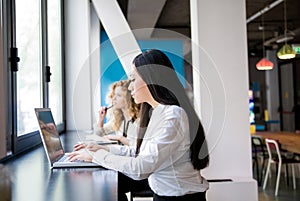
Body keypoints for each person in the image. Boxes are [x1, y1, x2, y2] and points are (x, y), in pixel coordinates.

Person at [68, 49, 210, 201]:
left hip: (179, 197)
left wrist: (96, 156)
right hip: (167, 195)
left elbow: (141, 168)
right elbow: (141, 152)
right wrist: (104, 148)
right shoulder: (157, 113)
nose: (130, 87)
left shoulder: (173, 116)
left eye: (133, 79)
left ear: (151, 79)